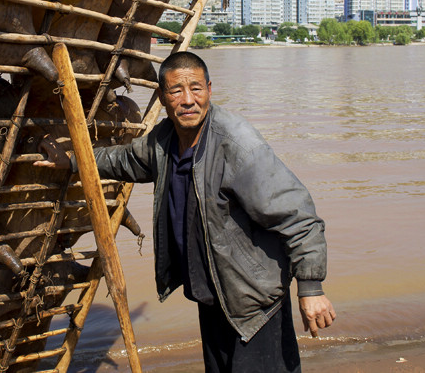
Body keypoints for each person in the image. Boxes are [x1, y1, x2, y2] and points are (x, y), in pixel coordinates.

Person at [35, 51, 335, 372]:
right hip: (214, 297)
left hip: (253, 305)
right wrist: (73, 161)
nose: (188, 100)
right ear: (163, 97)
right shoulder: (164, 140)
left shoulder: (238, 146)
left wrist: (311, 287)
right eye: (177, 90)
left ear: (209, 89)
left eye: (196, 88)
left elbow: (299, 217)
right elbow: (125, 160)